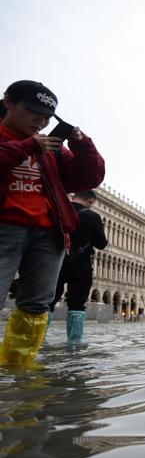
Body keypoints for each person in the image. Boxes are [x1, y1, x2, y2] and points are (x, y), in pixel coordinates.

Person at [0, 80, 105, 366]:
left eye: (46, 117)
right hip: (5, 228)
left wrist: (81, 143)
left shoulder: (51, 148)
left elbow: (87, 178)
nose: (41, 121)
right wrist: (24, 148)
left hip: (48, 232)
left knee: (36, 305)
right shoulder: (23, 141)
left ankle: (18, 367)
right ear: (8, 102)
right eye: (33, 112)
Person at [48, 190, 107, 345]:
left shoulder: (58, 210)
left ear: (74, 197)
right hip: (80, 263)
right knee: (77, 303)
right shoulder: (91, 216)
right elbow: (101, 243)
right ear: (91, 200)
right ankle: (74, 341)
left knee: (48, 300)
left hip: (55, 260)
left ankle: (38, 339)